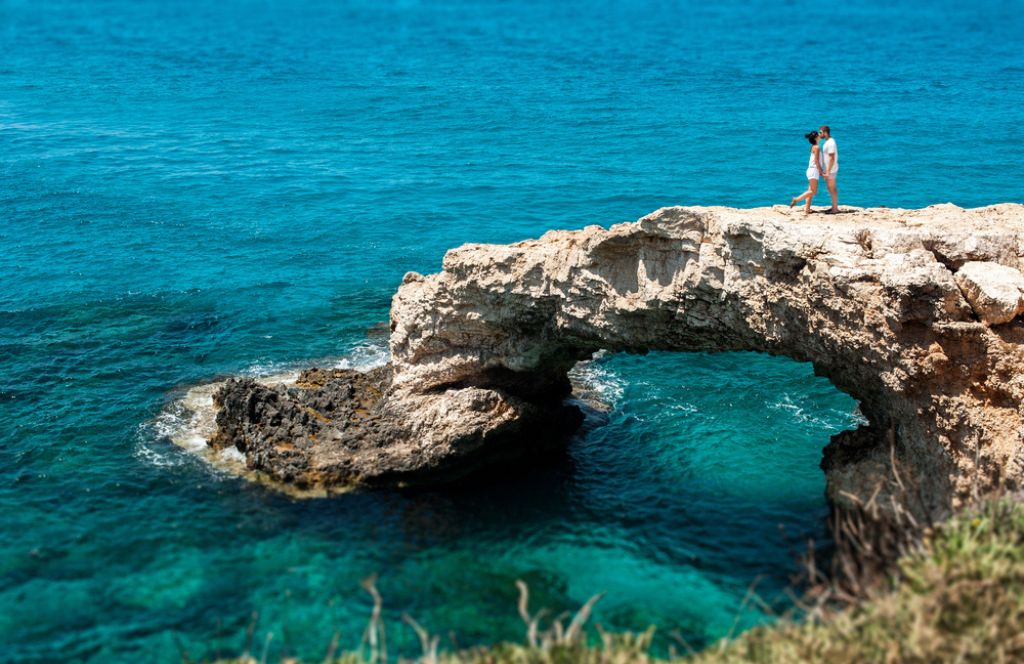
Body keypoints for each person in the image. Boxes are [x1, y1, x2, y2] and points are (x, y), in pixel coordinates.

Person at [790, 130, 821, 213]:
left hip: (810, 170)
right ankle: (796, 199)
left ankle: (807, 209)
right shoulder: (817, 147)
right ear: (816, 138)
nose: (819, 136)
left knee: (810, 190)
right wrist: (821, 171)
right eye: (818, 135)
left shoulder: (813, 146)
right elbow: (817, 161)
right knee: (813, 191)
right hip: (814, 170)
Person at [818, 125, 839, 213]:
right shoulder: (828, 142)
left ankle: (835, 209)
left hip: (831, 169)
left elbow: (832, 158)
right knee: (830, 188)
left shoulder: (831, 143)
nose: (819, 134)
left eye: (820, 132)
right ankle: (834, 207)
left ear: (825, 133)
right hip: (829, 169)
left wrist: (827, 171)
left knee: (832, 188)